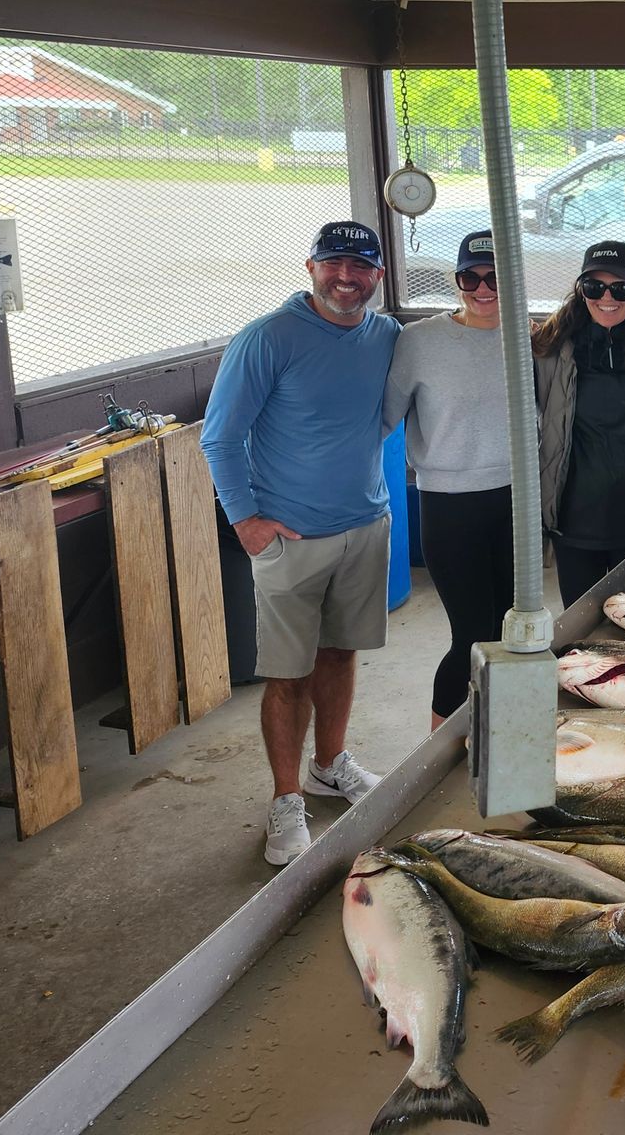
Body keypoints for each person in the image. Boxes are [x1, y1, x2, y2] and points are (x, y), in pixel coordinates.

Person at [202, 220, 399, 866]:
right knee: (287, 676)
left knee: (340, 655)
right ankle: (286, 799)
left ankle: (330, 764)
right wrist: (245, 521)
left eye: (360, 266)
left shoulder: (387, 335)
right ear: (310, 267)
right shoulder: (269, 338)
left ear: (378, 274)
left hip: (365, 527)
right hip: (290, 536)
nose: (347, 277)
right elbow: (220, 436)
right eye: (334, 263)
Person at [383, 231, 512, 731]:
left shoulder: (528, 338)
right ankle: (435, 752)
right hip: (449, 504)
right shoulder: (420, 341)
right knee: (473, 634)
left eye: (496, 277)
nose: (483, 288)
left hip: (514, 503)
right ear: (456, 282)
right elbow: (380, 421)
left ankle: (494, 732)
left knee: (511, 629)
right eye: (471, 277)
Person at [535, 241, 625, 605]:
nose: (606, 297)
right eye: (594, 287)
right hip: (576, 523)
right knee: (580, 633)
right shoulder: (551, 347)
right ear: (581, 291)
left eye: (621, 288)